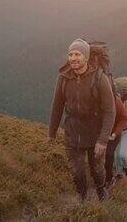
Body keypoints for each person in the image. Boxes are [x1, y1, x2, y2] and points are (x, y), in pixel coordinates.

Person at [48, 38, 115, 202]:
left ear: (86, 57)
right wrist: (52, 132)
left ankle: (101, 190)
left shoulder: (99, 78)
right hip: (72, 132)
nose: (73, 58)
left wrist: (103, 140)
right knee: (77, 171)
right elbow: (57, 107)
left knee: (97, 170)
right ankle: (82, 196)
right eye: (70, 54)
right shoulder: (63, 78)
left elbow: (110, 111)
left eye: (77, 54)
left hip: (94, 133)